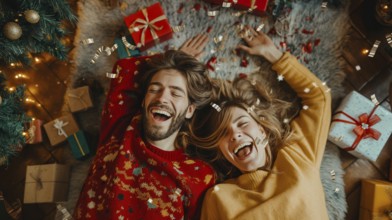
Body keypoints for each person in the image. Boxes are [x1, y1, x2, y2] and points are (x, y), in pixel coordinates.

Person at [187, 26, 331, 219]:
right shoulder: (218, 198)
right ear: (221, 152)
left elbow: (319, 98)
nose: (235, 134)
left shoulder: (296, 157)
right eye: (223, 133)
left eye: (242, 123)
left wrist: (273, 55)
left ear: (262, 130)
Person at [74, 34, 216, 219]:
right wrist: (176, 58)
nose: (162, 98)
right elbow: (123, 69)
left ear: (189, 110)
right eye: (154, 89)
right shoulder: (120, 129)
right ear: (143, 101)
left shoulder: (199, 175)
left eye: (175, 93)